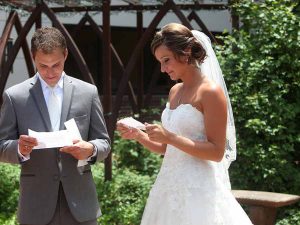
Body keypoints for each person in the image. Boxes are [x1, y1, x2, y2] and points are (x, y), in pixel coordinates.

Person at [117, 23, 252, 225]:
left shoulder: (210, 92)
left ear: (186, 52)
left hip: (199, 190)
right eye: (160, 62)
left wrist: (170, 137)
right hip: (168, 186)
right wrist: (139, 136)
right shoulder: (175, 91)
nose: (163, 69)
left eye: (166, 60)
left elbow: (216, 152)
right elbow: (166, 148)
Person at [0, 27, 111, 225]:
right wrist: (19, 148)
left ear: (65, 55)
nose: (50, 73)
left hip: (81, 204)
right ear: (34, 57)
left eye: (56, 65)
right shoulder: (14, 96)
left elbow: (104, 143)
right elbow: (1, 146)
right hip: (36, 206)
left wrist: (91, 149)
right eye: (43, 66)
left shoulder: (88, 92)